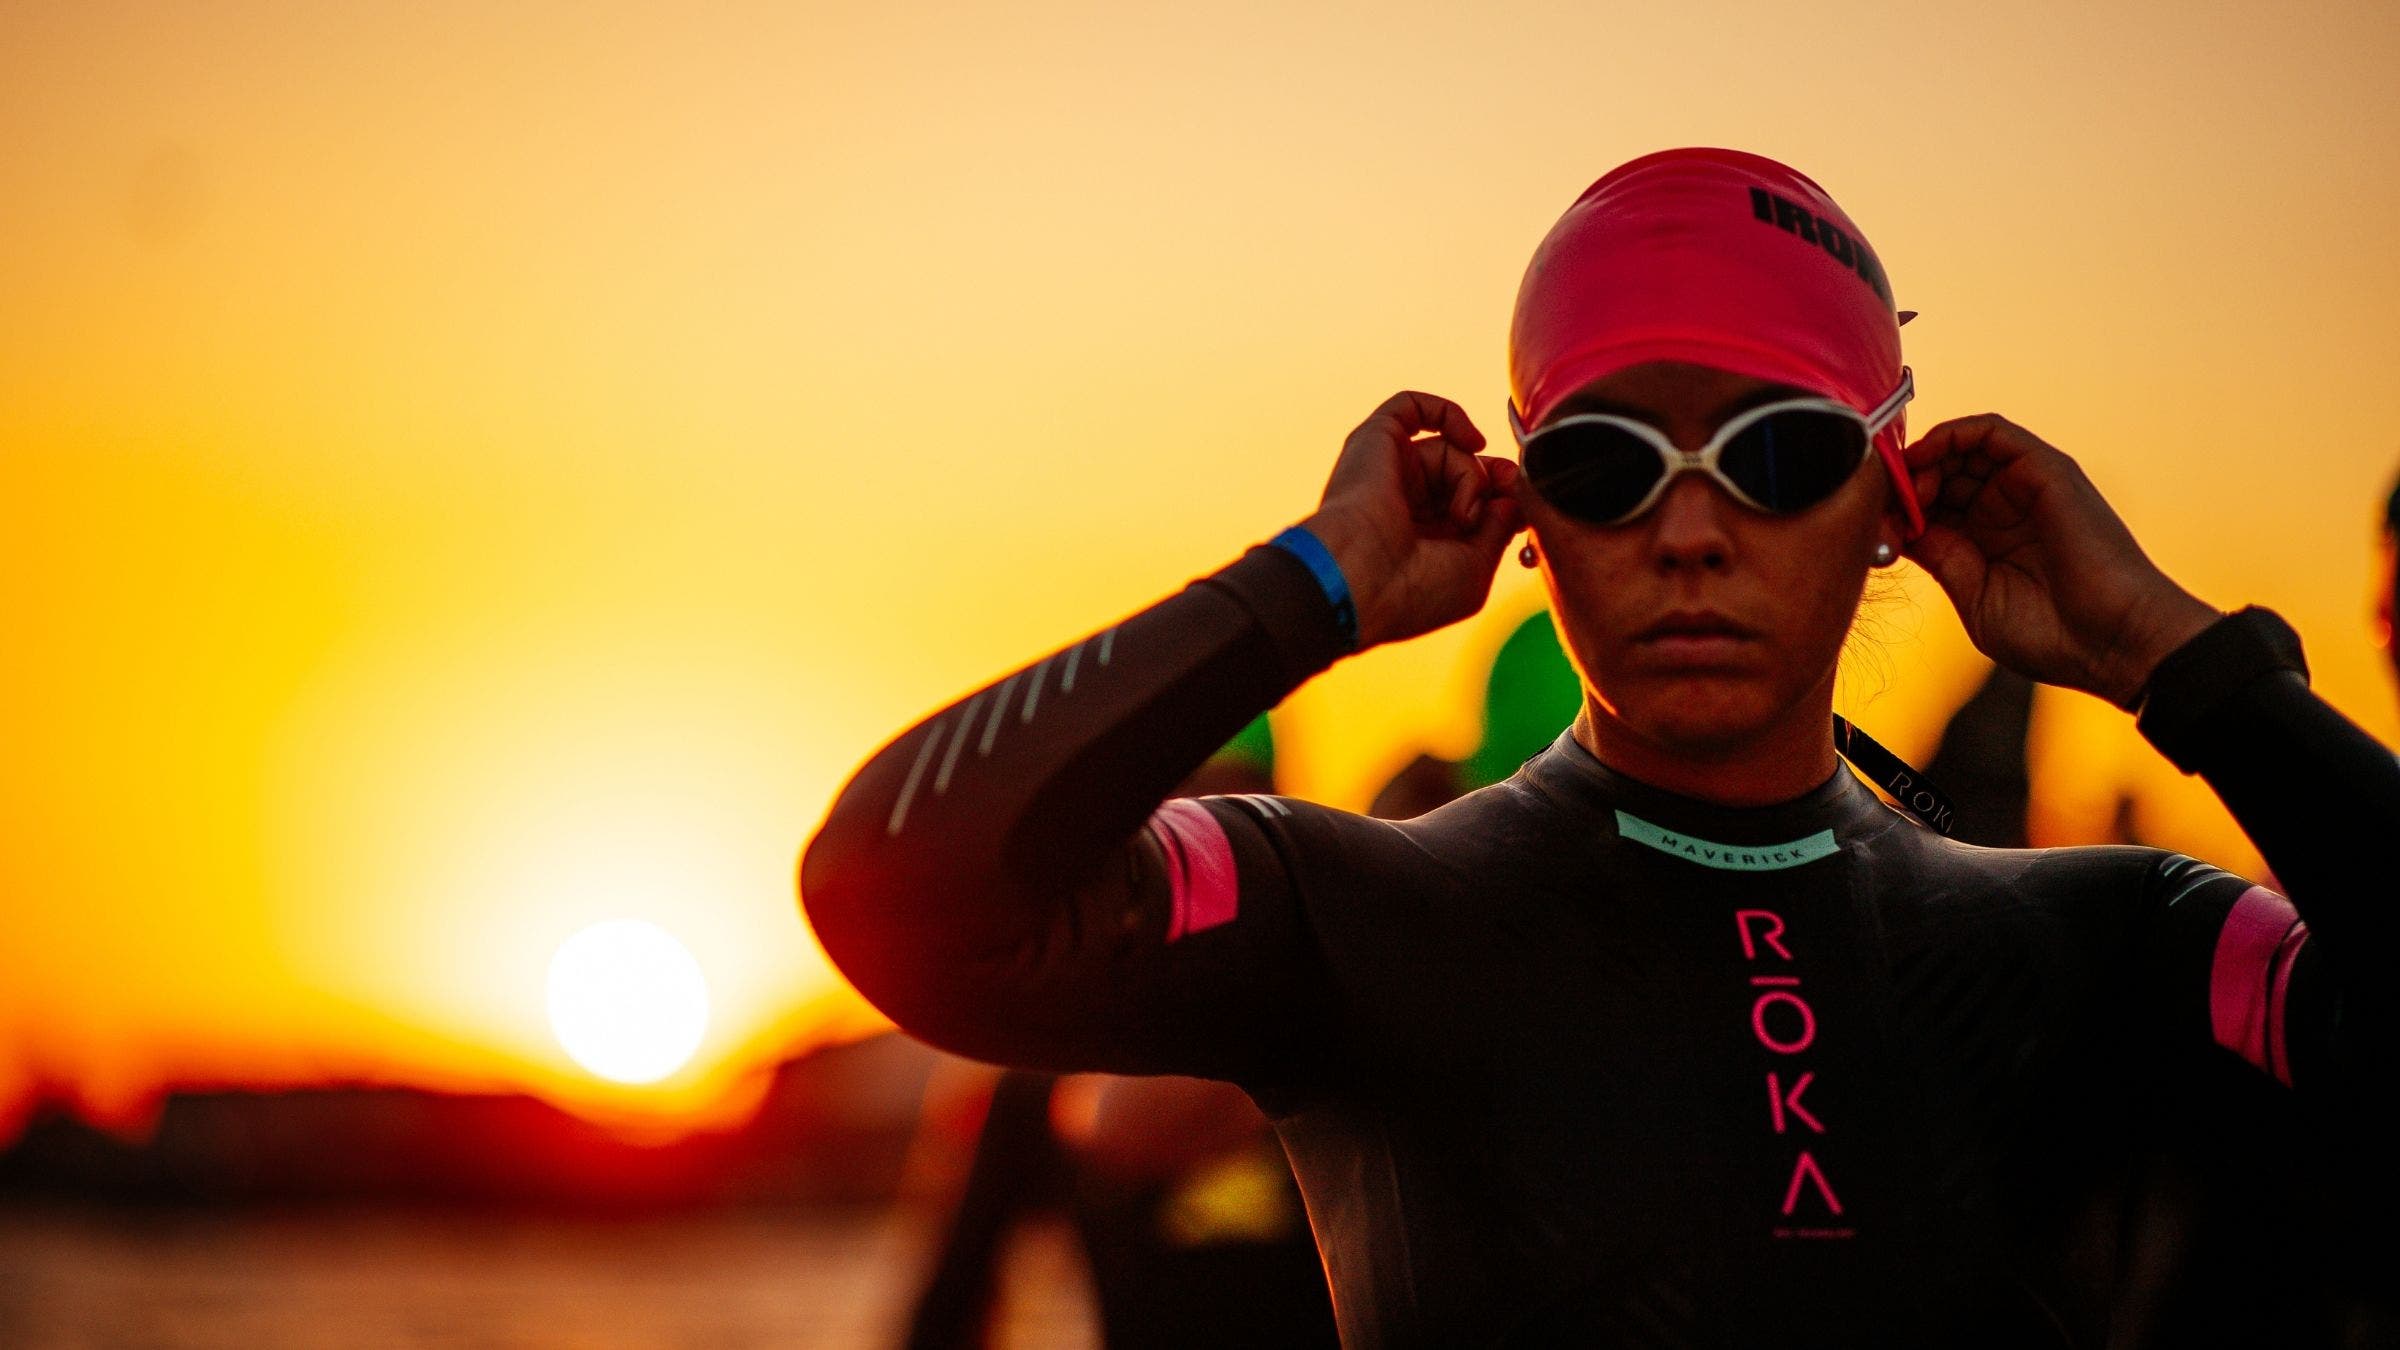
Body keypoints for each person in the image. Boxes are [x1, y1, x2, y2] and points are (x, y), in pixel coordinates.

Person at [800, 148, 2397, 1347]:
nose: (1690, 528)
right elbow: (902, 888)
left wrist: (2174, 658)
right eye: (1606, 459)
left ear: (1894, 500)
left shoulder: (2101, 938)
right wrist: (1311, 586)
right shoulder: (1364, 914)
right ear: (1525, 517)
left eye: (1778, 451)